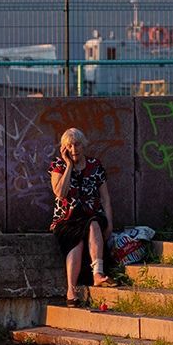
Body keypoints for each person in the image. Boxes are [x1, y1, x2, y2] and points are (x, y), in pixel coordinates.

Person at [49, 127, 114, 305]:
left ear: (83, 145)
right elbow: (60, 194)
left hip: (91, 215)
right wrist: (69, 165)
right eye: (69, 146)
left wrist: (109, 224)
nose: (74, 149)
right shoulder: (58, 165)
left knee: (93, 223)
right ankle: (71, 289)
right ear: (63, 149)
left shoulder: (95, 165)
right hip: (67, 219)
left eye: (77, 144)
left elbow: (105, 198)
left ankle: (98, 273)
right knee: (75, 241)